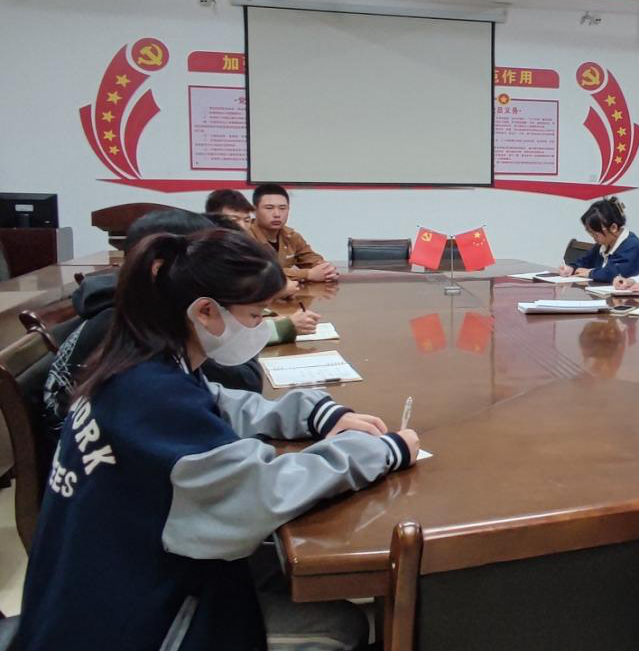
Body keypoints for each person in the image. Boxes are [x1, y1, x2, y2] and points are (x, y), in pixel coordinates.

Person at [18, 228, 419, 651]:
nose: (262, 327)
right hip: (138, 620)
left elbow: (220, 403)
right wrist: (379, 451)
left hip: (94, 586)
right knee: (342, 621)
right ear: (206, 311)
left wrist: (318, 413)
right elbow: (260, 493)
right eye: (256, 315)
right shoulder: (151, 395)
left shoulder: (138, 363)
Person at [42, 210, 320, 440]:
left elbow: (211, 398)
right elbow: (240, 385)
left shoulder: (146, 323)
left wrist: (313, 413)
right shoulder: (141, 345)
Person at [249, 183, 339, 283]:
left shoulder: (291, 236)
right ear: (254, 210)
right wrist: (308, 274)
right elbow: (259, 272)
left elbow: (312, 259)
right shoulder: (244, 236)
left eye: (282, 208)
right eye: (269, 208)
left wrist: (325, 269)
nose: (277, 214)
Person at [557, 197, 639, 283]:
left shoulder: (631, 244)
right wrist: (572, 268)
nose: (593, 237)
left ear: (613, 228)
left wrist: (590, 273)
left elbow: (614, 273)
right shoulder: (603, 244)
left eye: (595, 233)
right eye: (590, 232)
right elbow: (585, 261)